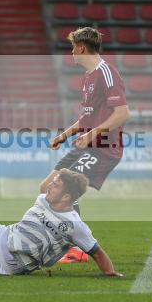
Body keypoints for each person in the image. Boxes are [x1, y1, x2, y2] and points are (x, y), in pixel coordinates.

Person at [46, 27, 129, 262]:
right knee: (50, 186)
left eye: (73, 47)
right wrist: (65, 134)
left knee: (64, 190)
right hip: (88, 146)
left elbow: (122, 114)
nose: (72, 53)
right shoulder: (88, 77)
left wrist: (92, 134)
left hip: (104, 150)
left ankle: (78, 249)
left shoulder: (107, 72)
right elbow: (87, 117)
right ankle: (71, 245)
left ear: (81, 47)